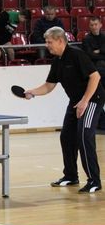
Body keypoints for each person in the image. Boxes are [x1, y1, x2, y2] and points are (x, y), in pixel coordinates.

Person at [25, 27, 105, 193]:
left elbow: (95, 77)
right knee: (66, 137)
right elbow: (49, 86)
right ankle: (71, 176)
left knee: (84, 137)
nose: (47, 45)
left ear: (60, 40)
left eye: (49, 42)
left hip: (92, 100)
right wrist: (32, 92)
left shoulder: (77, 55)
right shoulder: (57, 61)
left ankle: (94, 181)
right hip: (75, 101)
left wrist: (85, 101)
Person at [82, 17, 105, 129]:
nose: (94, 27)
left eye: (96, 24)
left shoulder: (104, 37)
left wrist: (98, 51)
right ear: (89, 26)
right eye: (92, 25)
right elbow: (89, 55)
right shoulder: (86, 39)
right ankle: (100, 122)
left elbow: (94, 54)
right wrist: (102, 52)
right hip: (95, 71)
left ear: (100, 25)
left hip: (102, 69)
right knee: (97, 97)